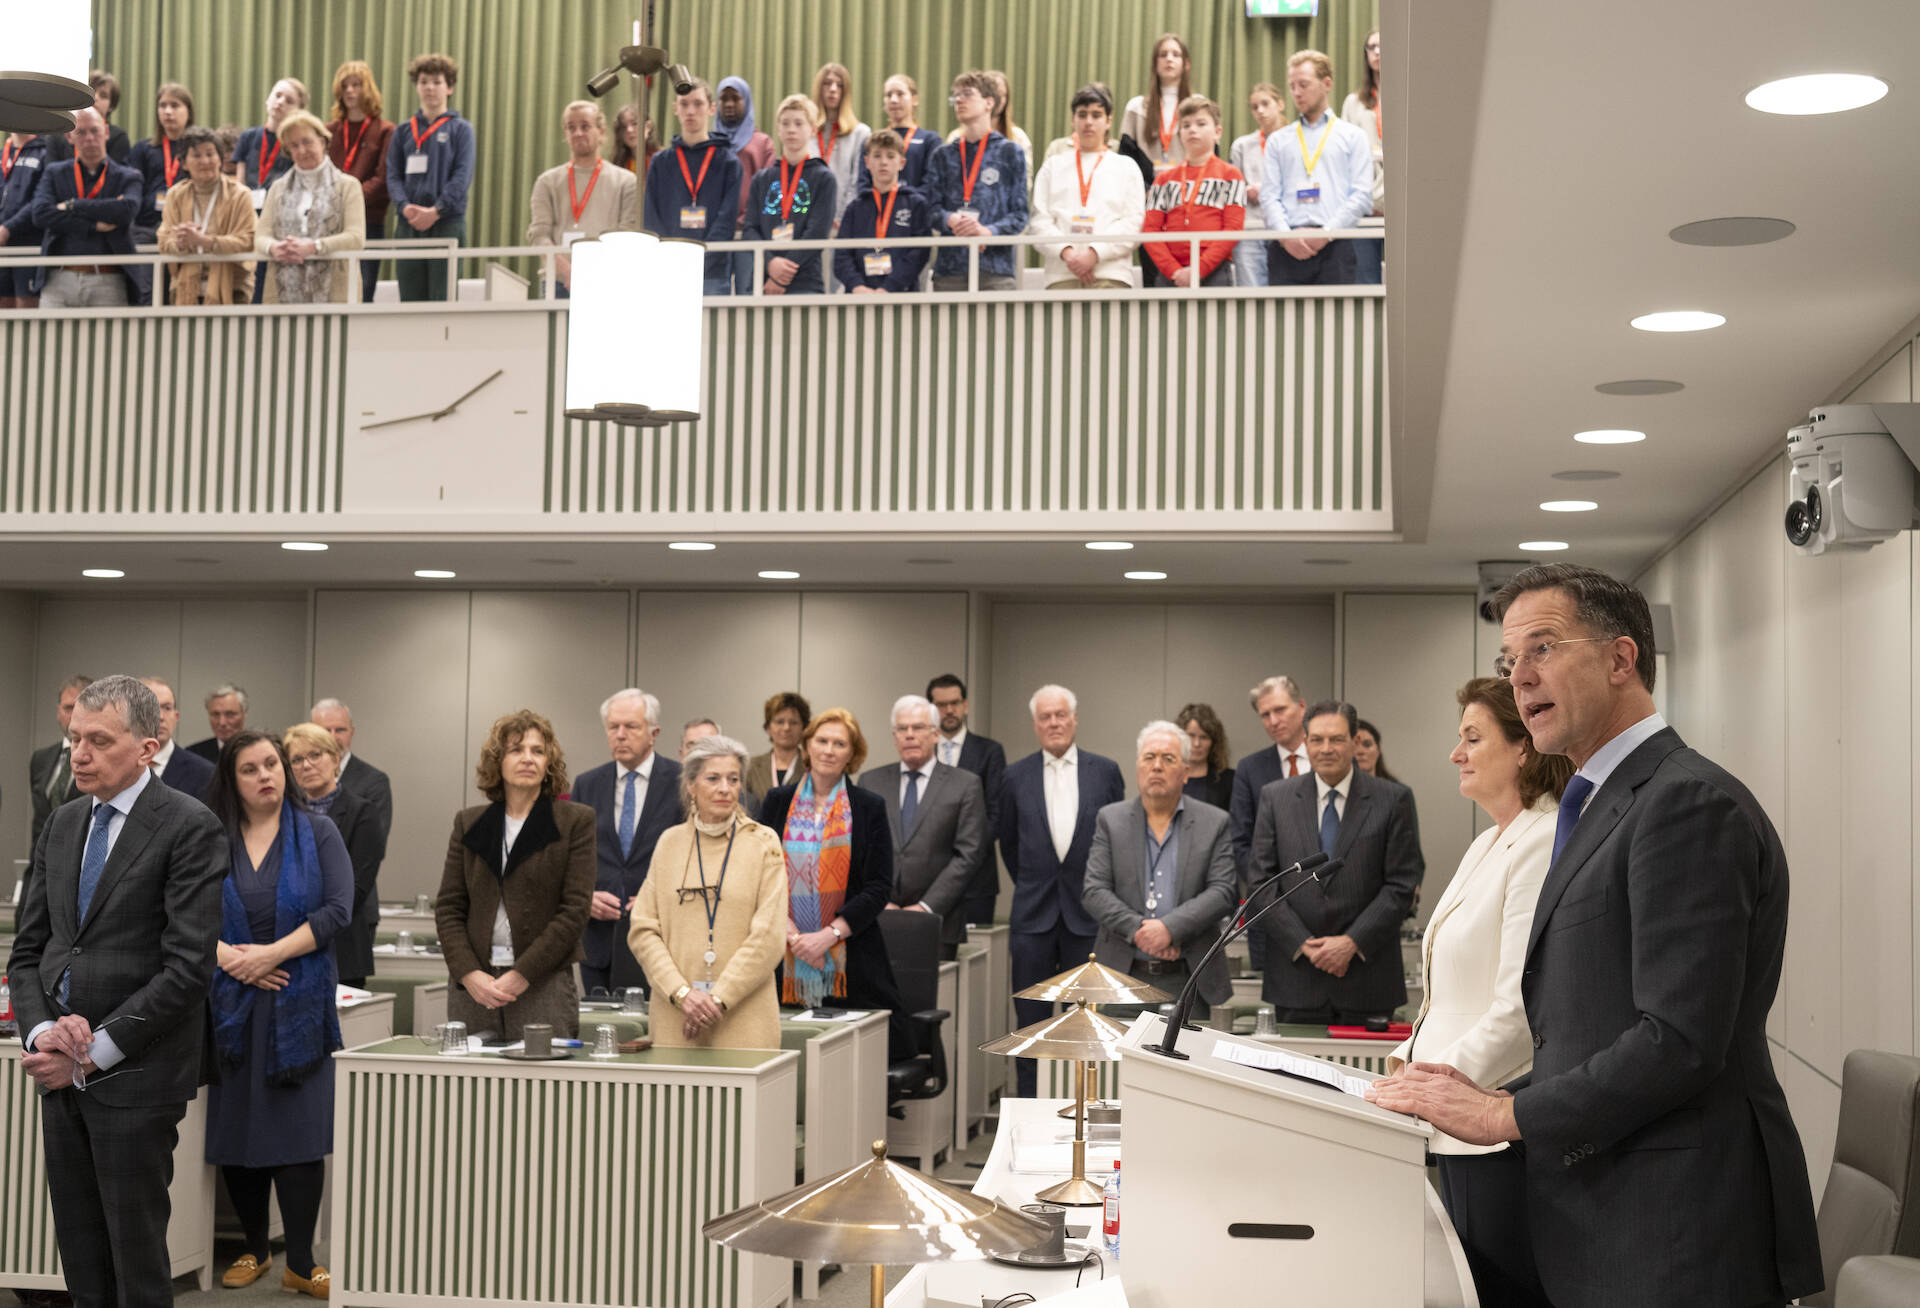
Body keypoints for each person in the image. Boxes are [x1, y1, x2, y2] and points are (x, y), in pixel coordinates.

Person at [1367, 564, 1824, 1307]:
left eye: (1543, 648)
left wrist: (1505, 1112)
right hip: (1603, 1210)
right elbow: (1587, 1023)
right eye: (1510, 661)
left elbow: (1678, 1040)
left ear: (1621, 659)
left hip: (1675, 1228)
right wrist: (1488, 1087)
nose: (1521, 678)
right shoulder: (1595, 805)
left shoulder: (1684, 803)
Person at [5, 676, 226, 1308]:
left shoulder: (189, 825)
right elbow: (31, 953)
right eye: (74, 737)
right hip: (58, 1071)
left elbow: (187, 968)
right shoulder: (63, 822)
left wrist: (94, 1049)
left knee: (137, 1261)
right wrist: (46, 1033)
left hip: (137, 1073)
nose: (79, 753)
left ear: (148, 747)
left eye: (99, 741)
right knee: (81, 1254)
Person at [1381, 678, 1570, 1306]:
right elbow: (1444, 989)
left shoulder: (1541, 841)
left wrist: (1435, 1085)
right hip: (1450, 1114)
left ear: (1522, 748)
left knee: (1498, 1289)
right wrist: (1409, 1063)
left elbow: (1520, 1007)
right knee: (1466, 1287)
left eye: (1471, 738)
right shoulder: (1487, 840)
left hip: (1490, 1114)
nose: (1455, 754)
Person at [201, 729, 351, 1298]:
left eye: (273, 763)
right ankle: (254, 1248)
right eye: (251, 768)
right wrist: (234, 963)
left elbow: (338, 909)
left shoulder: (318, 831)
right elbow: (184, 913)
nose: (266, 775)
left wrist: (270, 955)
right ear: (231, 780)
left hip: (299, 1005)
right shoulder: (212, 839)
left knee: (298, 1135)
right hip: (231, 1005)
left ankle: (302, 1260)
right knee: (239, 1131)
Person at [1249, 699, 1423, 1021]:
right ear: (1305, 742)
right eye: (1317, 739)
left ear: (1354, 741)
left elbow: (1402, 883)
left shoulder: (1392, 799)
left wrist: (1352, 942)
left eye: (1337, 739)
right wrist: (1301, 942)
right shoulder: (1276, 798)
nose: (1326, 748)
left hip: (1368, 979)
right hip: (1296, 977)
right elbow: (1261, 881)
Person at [435, 709, 595, 1039]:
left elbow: (574, 911)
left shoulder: (574, 821)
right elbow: (449, 908)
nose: (528, 758)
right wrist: (468, 973)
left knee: (542, 1088)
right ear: (498, 761)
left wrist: (522, 973)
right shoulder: (469, 822)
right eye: (516, 750)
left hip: (542, 984)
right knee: (471, 1089)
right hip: (475, 988)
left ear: (549, 762)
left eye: (538, 751)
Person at [997, 684, 1125, 1095]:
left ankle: (1081, 1108)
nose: (1054, 722)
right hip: (1032, 918)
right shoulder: (1013, 776)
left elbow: (1114, 842)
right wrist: (1033, 884)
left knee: (1087, 1025)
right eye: (1045, 717)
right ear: (1035, 724)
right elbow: (1009, 845)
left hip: (1086, 918)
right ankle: (1030, 1108)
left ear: (1074, 719)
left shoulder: (1104, 771)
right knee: (1031, 1026)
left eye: (1061, 715)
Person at [760, 708, 909, 1057]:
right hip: (783, 954)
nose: (828, 750)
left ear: (852, 754)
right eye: (822, 741)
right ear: (807, 746)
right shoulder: (776, 802)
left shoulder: (869, 806)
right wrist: (792, 933)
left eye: (839, 743)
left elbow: (877, 886)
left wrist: (829, 935)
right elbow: (760, 874)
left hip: (852, 958)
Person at [627, 733, 788, 1049]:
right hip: (676, 1019)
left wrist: (718, 999)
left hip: (745, 1021)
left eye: (733, 779)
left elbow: (768, 938)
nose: (725, 788)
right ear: (691, 784)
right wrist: (682, 994)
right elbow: (643, 931)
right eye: (713, 778)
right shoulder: (669, 843)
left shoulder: (764, 843)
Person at [1081, 721, 1237, 1016]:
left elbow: (1223, 891)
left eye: (1168, 759)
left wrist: (1169, 928)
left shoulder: (1214, 822)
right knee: (1119, 1063)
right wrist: (1141, 930)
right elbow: (1094, 890)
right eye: (1149, 757)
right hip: (1122, 977)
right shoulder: (1110, 820)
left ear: (1186, 772)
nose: (1156, 766)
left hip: (1190, 975)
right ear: (1137, 766)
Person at [857, 695, 988, 960]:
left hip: (938, 922)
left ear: (936, 733)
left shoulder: (965, 784)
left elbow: (969, 854)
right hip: (878, 918)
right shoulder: (871, 782)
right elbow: (860, 849)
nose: (909, 735)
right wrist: (881, 901)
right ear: (894, 738)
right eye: (902, 729)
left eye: (918, 728)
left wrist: (926, 907)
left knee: (930, 1001)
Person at [571, 689, 684, 996]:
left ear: (654, 732)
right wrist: (585, 897)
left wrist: (658, 900)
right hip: (599, 941)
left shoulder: (682, 782)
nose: (620, 735)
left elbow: (693, 859)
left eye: (631, 727)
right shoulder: (586, 784)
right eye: (613, 727)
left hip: (662, 939)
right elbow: (570, 861)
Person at [283, 722, 387, 989]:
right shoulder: (283, 814)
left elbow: (355, 889)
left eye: (315, 755)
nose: (306, 765)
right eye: (297, 759)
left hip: (342, 949)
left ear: (336, 758)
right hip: (286, 947)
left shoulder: (362, 812)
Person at [1261, 50, 1373, 287]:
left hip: (1336, 246)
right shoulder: (1278, 141)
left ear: (1327, 84)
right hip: (1286, 248)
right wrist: (1285, 236)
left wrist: (1327, 233)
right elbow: (1269, 196)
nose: (1297, 93)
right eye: (1292, 86)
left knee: (1337, 323)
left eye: (1303, 84)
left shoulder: (1353, 137)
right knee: (1283, 323)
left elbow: (1362, 195)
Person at [29, 107, 148, 308]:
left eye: (95, 130)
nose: (89, 138)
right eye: (81, 132)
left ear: (107, 132)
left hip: (108, 279)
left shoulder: (128, 176)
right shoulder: (55, 173)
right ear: (69, 136)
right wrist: (93, 226)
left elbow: (127, 209)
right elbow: (40, 214)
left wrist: (72, 204)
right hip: (58, 279)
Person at [1029, 83, 1144, 291]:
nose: (1088, 122)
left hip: (1111, 274)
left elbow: (1133, 222)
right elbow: (1039, 221)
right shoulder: (1053, 166)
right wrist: (1068, 253)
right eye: (1082, 115)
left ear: (1108, 121)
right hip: (1061, 274)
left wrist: (1095, 253)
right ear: (1073, 120)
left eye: (1096, 115)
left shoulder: (1126, 167)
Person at [925, 71, 1029, 291]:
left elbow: (1020, 215)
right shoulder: (943, 156)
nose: (959, 100)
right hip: (950, 268)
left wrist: (988, 231)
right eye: (956, 96)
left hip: (995, 268)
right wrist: (950, 219)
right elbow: (930, 210)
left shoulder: (1011, 152)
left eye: (967, 94)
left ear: (989, 103)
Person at [385, 52, 474, 302]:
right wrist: (404, 208)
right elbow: (392, 175)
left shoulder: (461, 129)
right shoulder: (403, 131)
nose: (430, 88)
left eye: (437, 82)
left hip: (446, 222)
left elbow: (462, 175)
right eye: (424, 81)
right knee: (410, 300)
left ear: (450, 87)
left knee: (442, 299)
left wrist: (436, 210)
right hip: (408, 223)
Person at [254, 111, 366, 304]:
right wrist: (274, 247)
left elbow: (356, 238)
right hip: (283, 290)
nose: (302, 150)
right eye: (294, 145)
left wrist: (314, 247)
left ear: (322, 142)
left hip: (335, 291)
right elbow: (260, 237)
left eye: (307, 142)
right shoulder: (277, 188)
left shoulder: (348, 185)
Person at [534, 99, 642, 297]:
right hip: (557, 284)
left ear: (601, 132)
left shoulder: (626, 181)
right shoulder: (547, 182)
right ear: (565, 134)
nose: (578, 133)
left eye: (585, 126)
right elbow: (540, 236)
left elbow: (626, 234)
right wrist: (569, 273)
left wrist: (591, 274)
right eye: (571, 127)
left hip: (608, 282)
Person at [641, 82, 738, 296]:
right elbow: (651, 216)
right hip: (668, 271)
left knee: (711, 330)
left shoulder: (728, 162)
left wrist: (701, 259)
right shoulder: (660, 162)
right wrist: (670, 258)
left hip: (713, 271)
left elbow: (726, 219)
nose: (691, 111)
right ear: (675, 108)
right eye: (684, 104)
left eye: (698, 104)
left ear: (712, 108)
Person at [927, 673, 1007, 925]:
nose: (949, 710)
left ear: (966, 705)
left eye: (955, 703)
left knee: (976, 958)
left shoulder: (990, 752)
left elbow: (996, 815)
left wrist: (963, 855)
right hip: (926, 878)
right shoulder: (921, 752)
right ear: (931, 709)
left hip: (976, 879)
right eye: (941, 705)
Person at [1141, 96, 1245, 288]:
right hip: (1171, 274)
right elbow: (1150, 230)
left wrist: (1199, 269)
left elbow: (1233, 228)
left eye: (1201, 123)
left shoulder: (1231, 175)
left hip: (1215, 270)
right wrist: (1174, 271)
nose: (1192, 130)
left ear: (1217, 132)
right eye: (1186, 125)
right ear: (1179, 133)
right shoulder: (1163, 179)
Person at [741, 94, 836, 296]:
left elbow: (817, 232)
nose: (791, 129)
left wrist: (782, 275)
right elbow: (750, 228)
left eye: (798, 123)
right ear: (778, 129)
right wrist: (770, 263)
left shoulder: (824, 178)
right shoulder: (762, 178)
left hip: (805, 282)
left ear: (812, 129)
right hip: (762, 281)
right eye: (786, 123)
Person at [156, 125, 257, 305]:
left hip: (233, 289)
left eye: (210, 154)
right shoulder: (176, 195)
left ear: (220, 159)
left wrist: (205, 241)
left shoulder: (240, 194)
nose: (205, 161)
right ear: (184, 163)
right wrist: (180, 243)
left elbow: (249, 240)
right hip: (185, 288)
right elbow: (164, 242)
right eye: (196, 155)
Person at [1227, 675, 1310, 879]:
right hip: (1271, 894)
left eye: (1280, 710)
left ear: (1301, 707)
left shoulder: (1328, 759)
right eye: (1265, 715)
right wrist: (1266, 889)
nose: (1273, 721)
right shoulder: (1250, 769)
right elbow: (1240, 842)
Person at [326, 60, 394, 304]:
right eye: (345, 86)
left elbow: (383, 179)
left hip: (367, 224)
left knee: (362, 291)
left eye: (356, 85)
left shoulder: (385, 130)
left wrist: (349, 202)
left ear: (368, 89)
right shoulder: (328, 131)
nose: (350, 91)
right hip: (329, 223)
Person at [833, 129, 932, 294]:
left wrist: (890, 287)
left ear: (902, 163)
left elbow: (919, 254)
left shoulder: (916, 204)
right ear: (867, 162)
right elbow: (841, 256)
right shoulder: (855, 208)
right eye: (877, 156)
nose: (883, 162)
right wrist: (857, 286)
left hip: (901, 295)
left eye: (890, 156)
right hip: (859, 297)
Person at [715, 75, 775, 294]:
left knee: (747, 294)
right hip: (716, 234)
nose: (729, 104)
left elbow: (769, 191)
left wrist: (748, 220)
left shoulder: (762, 143)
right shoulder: (709, 143)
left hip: (748, 233)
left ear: (746, 101)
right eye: (724, 99)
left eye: (735, 98)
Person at [310, 697, 394, 850]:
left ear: (352, 732)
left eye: (340, 730)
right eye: (325, 731)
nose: (333, 737)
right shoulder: (296, 779)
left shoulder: (374, 782)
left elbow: (373, 847)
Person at [1227, 83, 1286, 289]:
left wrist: (1269, 191)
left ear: (1280, 104)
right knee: (1251, 292)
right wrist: (1246, 191)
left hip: (1285, 227)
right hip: (1250, 227)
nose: (1260, 111)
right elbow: (1233, 190)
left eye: (1265, 104)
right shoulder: (1242, 145)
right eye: (1254, 107)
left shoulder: (1296, 140)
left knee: (1284, 289)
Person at [1339, 29, 1385, 285]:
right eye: (1372, 47)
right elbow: (1345, 153)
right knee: (1365, 279)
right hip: (1366, 203)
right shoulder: (1353, 102)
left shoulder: (1410, 96)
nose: (1377, 52)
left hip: (1402, 204)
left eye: (1382, 45)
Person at [128, 82, 194, 256]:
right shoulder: (143, 148)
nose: (167, 111)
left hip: (185, 228)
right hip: (146, 228)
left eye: (175, 105)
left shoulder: (196, 150)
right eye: (162, 105)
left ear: (188, 111)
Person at [28, 674, 92, 853]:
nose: (72, 715)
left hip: (80, 862)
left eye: (79, 707)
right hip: (42, 866)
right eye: (68, 708)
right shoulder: (40, 759)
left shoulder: (100, 759)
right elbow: (38, 825)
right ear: (58, 711)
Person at [232, 77, 308, 220]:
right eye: (278, 95)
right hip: (247, 212)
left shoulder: (296, 144)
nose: (280, 102)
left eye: (289, 101)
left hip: (281, 214)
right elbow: (240, 182)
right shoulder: (248, 136)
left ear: (298, 111)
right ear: (268, 99)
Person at [1120, 33, 1194, 174]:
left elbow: (1209, 156)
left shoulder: (1197, 107)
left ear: (1186, 64)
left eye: (1176, 54)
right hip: (1146, 192)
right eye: (1163, 54)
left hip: (1188, 189)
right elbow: (1126, 159)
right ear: (1155, 63)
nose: (1169, 59)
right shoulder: (1136, 107)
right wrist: (1145, 188)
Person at [809, 62, 871, 226]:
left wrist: (843, 217)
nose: (833, 89)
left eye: (839, 85)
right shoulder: (807, 132)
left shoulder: (861, 133)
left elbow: (857, 181)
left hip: (844, 222)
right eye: (827, 84)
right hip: (809, 222)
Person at [0, 127, 53, 309]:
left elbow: (40, 201)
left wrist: (8, 229)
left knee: (25, 307)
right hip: (1, 247)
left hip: (28, 245)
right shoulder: (3, 154)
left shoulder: (44, 152)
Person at [140, 675, 214, 800]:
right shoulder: (117, 764)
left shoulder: (203, 772)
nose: (161, 717)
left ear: (176, 717)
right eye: (151, 707)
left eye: (167, 708)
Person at [879, 73, 943, 190]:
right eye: (889, 95)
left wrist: (908, 202)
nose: (893, 100)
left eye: (900, 94)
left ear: (914, 100)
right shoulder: (875, 140)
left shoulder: (930, 140)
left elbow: (931, 184)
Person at [746, 690, 811, 795]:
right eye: (780, 722)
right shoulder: (751, 768)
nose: (786, 728)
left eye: (793, 722)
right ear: (768, 727)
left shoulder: (812, 767)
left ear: (804, 728)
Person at [1176, 701, 1234, 810]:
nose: (1197, 744)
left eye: (1204, 737)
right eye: (1191, 736)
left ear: (1214, 742)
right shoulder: (1168, 776)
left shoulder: (1230, 780)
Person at [189, 683, 248, 762]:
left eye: (230, 714)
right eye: (215, 715)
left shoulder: (260, 751)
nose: (222, 722)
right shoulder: (194, 755)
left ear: (244, 715)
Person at [1353, 717, 1398, 782]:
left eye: (1367, 745)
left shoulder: (1396, 791)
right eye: (1354, 746)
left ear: (1378, 750)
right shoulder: (1336, 790)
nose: (1361, 751)